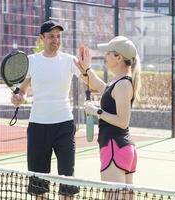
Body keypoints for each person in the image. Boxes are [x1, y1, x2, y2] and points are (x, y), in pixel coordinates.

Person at [11, 20, 81, 198]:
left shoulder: (69, 60)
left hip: (64, 125)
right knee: (39, 185)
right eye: (51, 36)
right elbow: (22, 91)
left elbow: (89, 79)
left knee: (68, 181)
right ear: (42, 38)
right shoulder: (31, 61)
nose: (55, 40)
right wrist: (18, 98)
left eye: (58, 36)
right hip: (38, 127)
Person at [75, 36, 141, 196]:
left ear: (119, 58)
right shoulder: (117, 82)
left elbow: (123, 122)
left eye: (109, 53)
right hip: (120, 148)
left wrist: (96, 111)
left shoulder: (123, 84)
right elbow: (98, 84)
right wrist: (86, 69)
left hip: (114, 149)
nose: (105, 56)